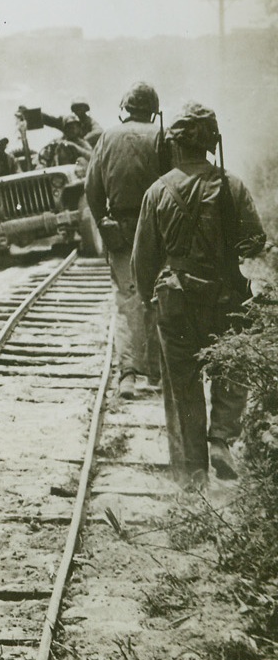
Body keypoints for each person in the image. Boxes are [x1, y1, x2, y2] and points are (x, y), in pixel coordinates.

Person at [132, 102, 266, 489]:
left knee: (184, 389)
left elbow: (143, 260)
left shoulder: (156, 192)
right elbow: (254, 241)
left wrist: (149, 300)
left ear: (174, 145)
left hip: (176, 301)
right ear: (211, 142)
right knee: (233, 363)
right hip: (225, 296)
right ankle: (222, 436)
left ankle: (193, 479)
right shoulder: (232, 185)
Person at [85, 81, 167, 399]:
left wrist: (103, 220)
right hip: (157, 227)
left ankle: (128, 376)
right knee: (158, 297)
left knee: (126, 301)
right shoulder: (162, 136)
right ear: (152, 110)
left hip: (120, 227)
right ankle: (158, 374)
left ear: (126, 109)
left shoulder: (107, 136)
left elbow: (92, 189)